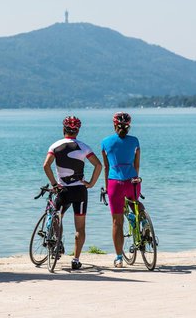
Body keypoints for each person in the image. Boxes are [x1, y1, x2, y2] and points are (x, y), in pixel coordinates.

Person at [43, 115, 102, 270]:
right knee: (80, 228)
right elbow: (98, 165)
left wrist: (54, 184)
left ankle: (57, 243)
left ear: (64, 129)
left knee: (56, 216)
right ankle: (75, 259)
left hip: (63, 189)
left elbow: (46, 166)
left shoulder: (55, 146)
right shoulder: (84, 147)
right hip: (80, 190)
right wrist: (91, 183)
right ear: (78, 131)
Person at [101, 112, 142, 268]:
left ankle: (119, 258)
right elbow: (136, 165)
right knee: (135, 203)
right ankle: (141, 221)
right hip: (132, 181)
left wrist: (106, 186)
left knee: (117, 222)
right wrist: (135, 179)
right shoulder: (135, 141)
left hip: (115, 183)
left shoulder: (105, 142)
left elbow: (107, 167)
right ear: (129, 127)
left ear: (114, 125)